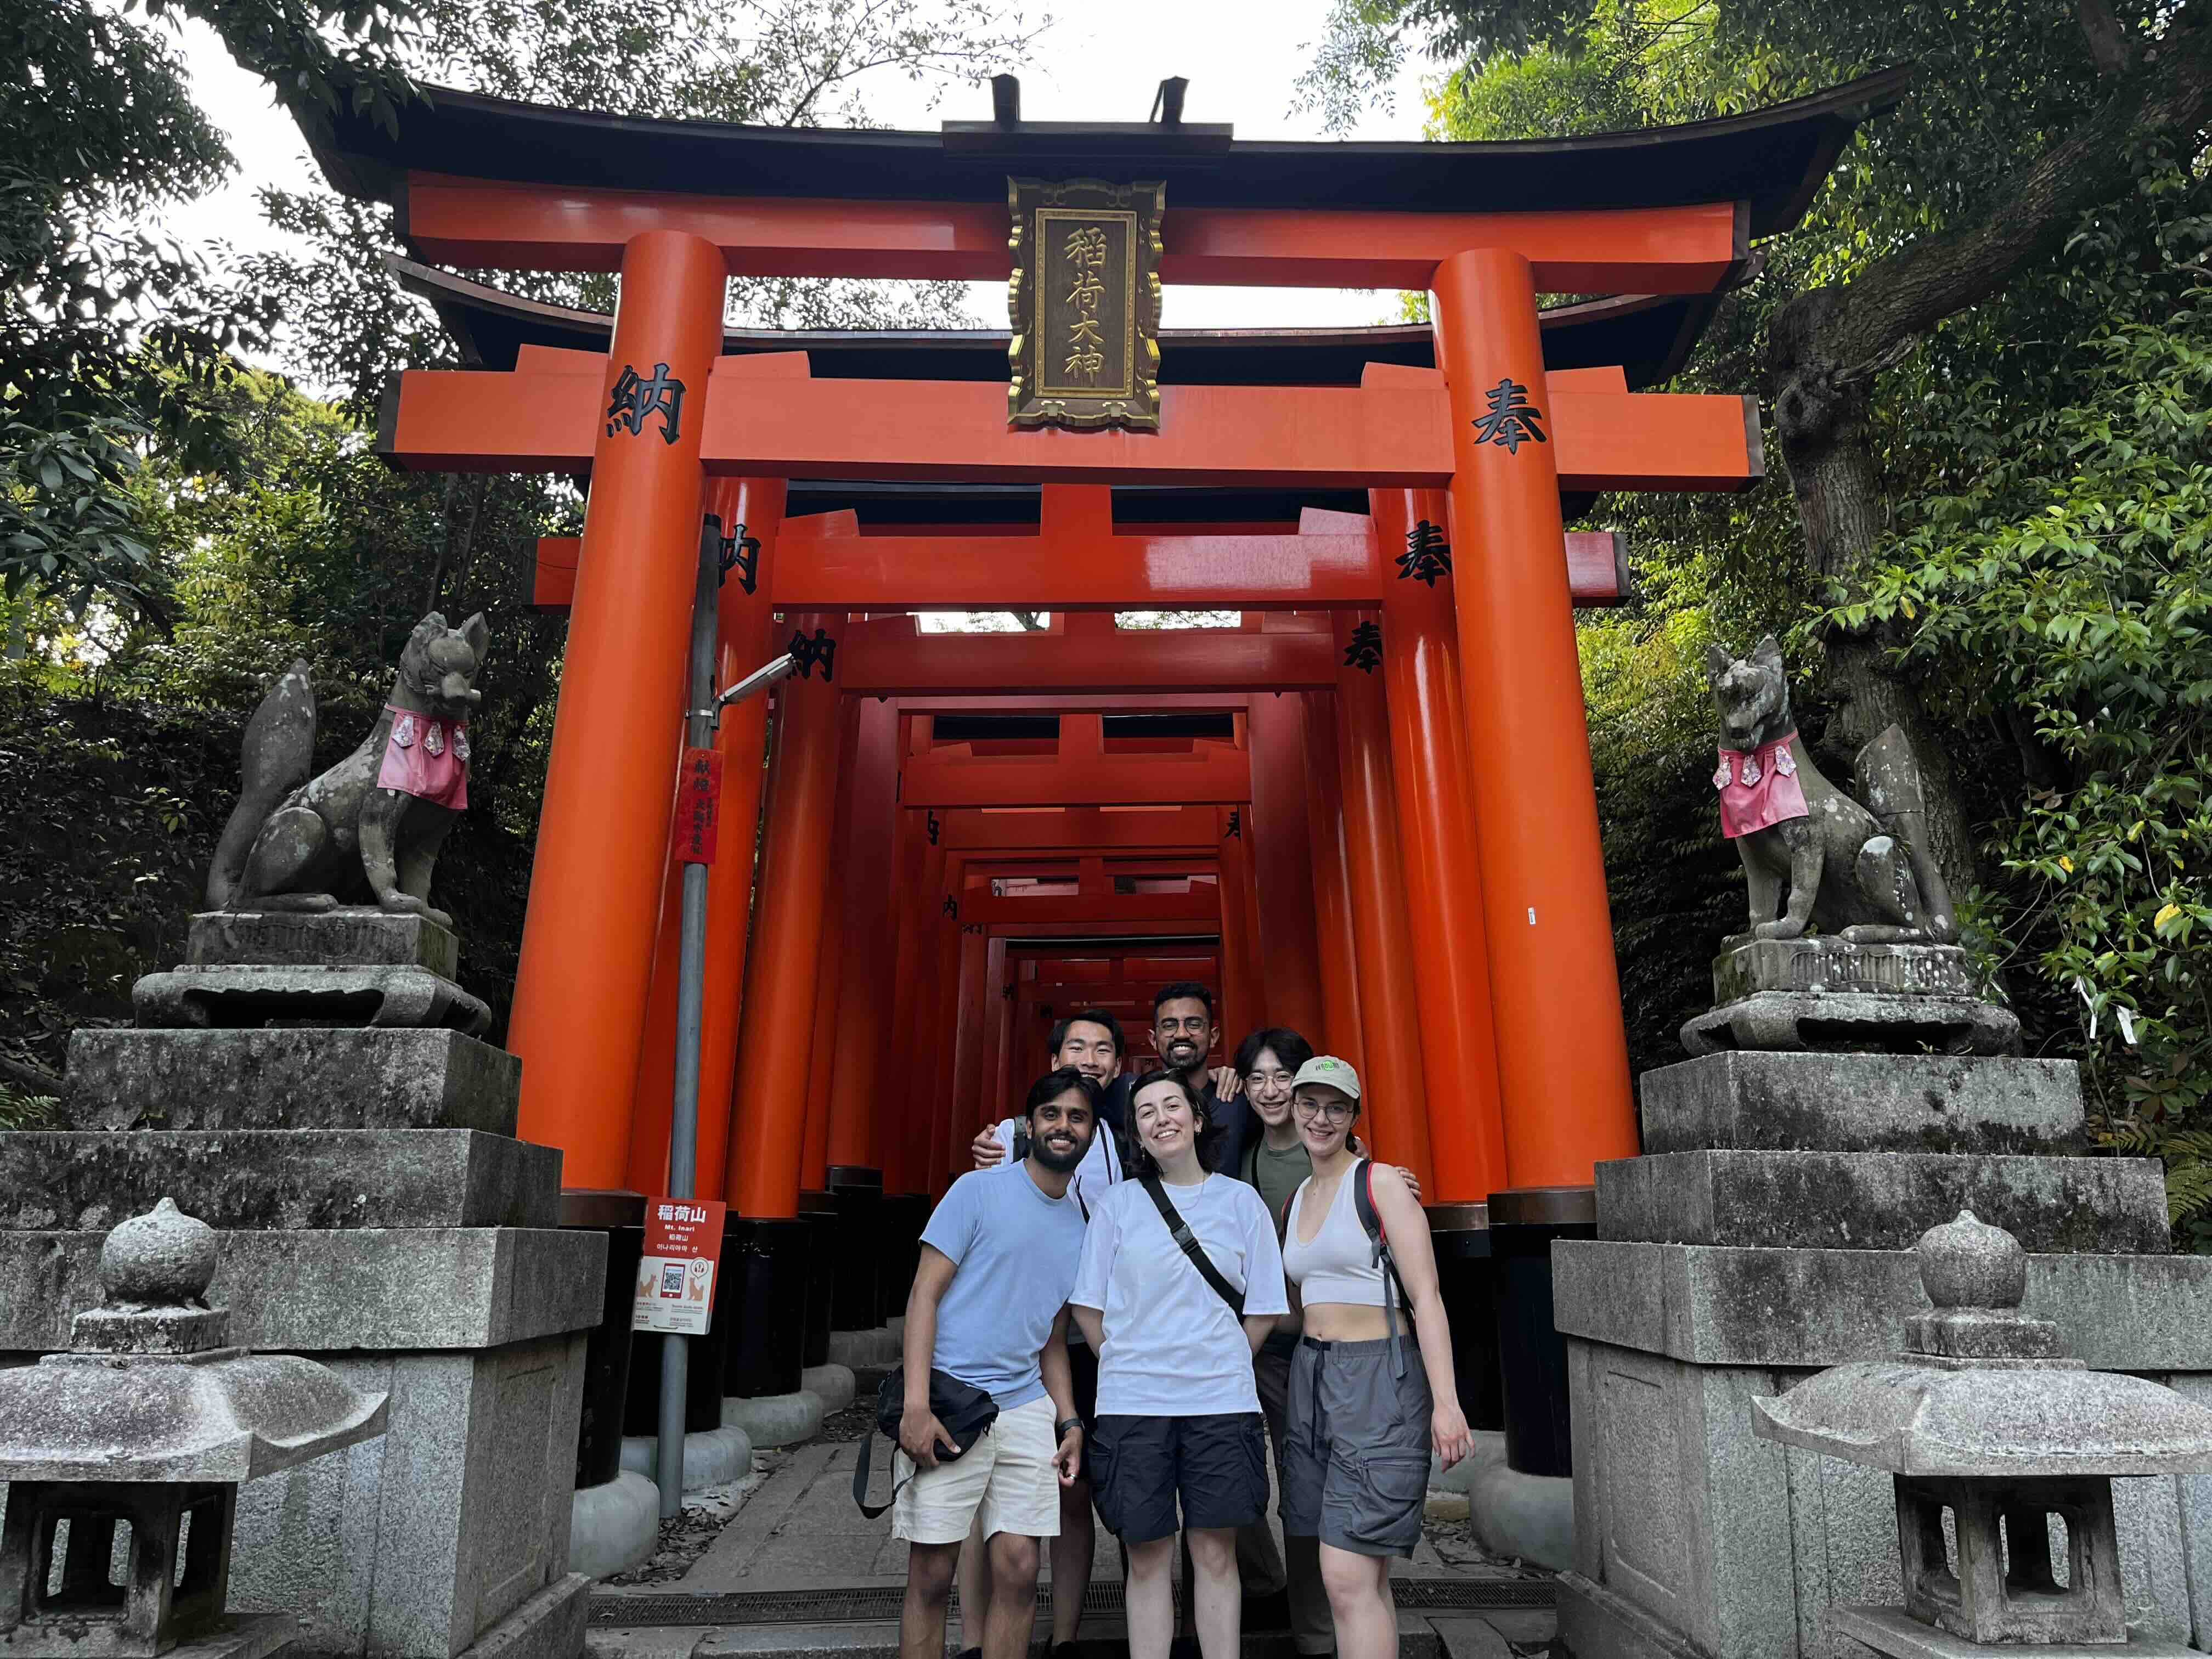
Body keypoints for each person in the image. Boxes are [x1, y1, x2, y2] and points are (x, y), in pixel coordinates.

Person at [1069, 1070, 1288, 1659]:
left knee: (1216, 1554)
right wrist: (1127, 1361)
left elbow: (1265, 1306)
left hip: (1221, 1404)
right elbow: (1088, 1307)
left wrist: (1219, 1361)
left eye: (1173, 1105)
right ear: (1136, 1134)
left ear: (1197, 1118)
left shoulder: (1240, 1202)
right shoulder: (1119, 1205)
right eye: (1146, 1112)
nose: (1161, 1117)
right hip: (1133, 1405)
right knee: (1146, 1556)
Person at [892, 1070, 1098, 1659]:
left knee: (1019, 1566)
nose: (1063, 1127)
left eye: (1077, 1118)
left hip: (1025, 1405)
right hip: (950, 1399)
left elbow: (1052, 1340)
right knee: (932, 1574)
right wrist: (916, 1405)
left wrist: (1070, 1419)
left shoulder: (1079, 1225)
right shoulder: (976, 1192)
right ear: (1029, 1125)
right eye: (1052, 1115)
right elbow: (922, 1297)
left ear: (1091, 1133)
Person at [1278, 1057, 1474, 1659]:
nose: (1320, 1118)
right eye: (1309, 1104)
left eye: (1335, 1107)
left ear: (1353, 1117)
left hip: (1379, 1378)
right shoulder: (1296, 1198)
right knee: (1363, 1576)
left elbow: (1427, 1297)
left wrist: (1447, 1403)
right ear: (1293, 1108)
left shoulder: (1381, 1183)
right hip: (1311, 1379)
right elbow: (1298, 1305)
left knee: (1346, 1576)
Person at [955, 1013, 1128, 1659]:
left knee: (1072, 1487)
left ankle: (1066, 1635)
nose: (1090, 1056)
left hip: (1082, 1336)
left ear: (1115, 1066)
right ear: (1054, 1054)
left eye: (1104, 1048)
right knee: (983, 1492)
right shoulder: (1009, 1133)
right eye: (1077, 1045)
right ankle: (976, 1640)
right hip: (1008, 1339)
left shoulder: (1121, 1135)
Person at [1226, 1028, 1335, 1657]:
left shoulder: (1332, 1151)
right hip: (1249, 1344)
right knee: (1233, 1475)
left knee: (1305, 1487)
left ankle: (1315, 1628)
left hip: (1314, 1347)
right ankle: (1263, 1582)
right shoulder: (1238, 1149)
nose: (1271, 1090)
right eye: (1257, 1078)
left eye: (1283, 1076)